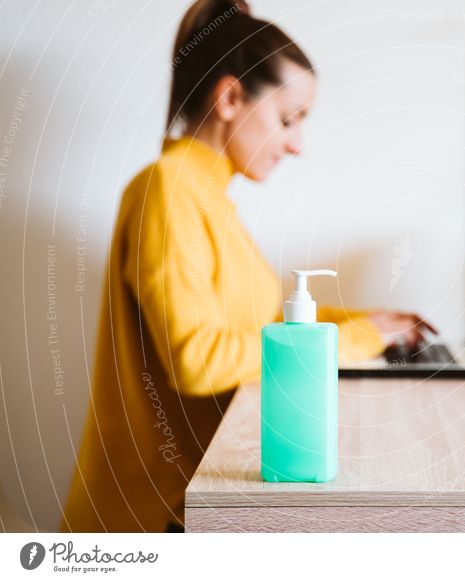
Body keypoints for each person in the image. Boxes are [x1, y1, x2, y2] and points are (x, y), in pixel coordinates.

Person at [60, 0, 434, 533]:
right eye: (288, 119)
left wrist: (365, 324)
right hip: (159, 518)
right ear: (231, 97)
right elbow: (198, 361)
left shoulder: (208, 199)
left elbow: (252, 324)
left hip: (203, 498)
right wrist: (352, 342)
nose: (297, 144)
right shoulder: (167, 191)